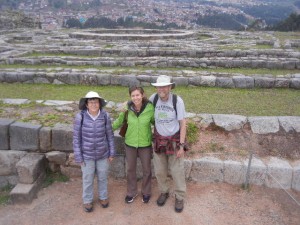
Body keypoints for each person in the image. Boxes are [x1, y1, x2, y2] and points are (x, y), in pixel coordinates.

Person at [149, 75, 187, 213]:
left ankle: (179, 196)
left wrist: (182, 145)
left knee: (177, 171)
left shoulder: (177, 101)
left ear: (170, 87)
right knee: (160, 170)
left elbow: (183, 123)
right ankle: (164, 192)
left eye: (165, 86)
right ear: (156, 88)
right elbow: (142, 109)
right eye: (159, 86)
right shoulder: (153, 99)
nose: (162, 89)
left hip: (174, 141)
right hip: (159, 140)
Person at [73, 91, 115, 213]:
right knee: (87, 178)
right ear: (86, 104)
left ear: (99, 104)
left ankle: (103, 197)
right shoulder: (80, 117)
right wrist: (78, 156)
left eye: (95, 102)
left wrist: (112, 152)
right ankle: (87, 200)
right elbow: (76, 138)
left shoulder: (105, 116)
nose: (93, 104)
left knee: (102, 177)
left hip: (103, 153)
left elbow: (110, 135)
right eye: (90, 102)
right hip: (87, 155)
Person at [113, 86, 154, 204]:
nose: (136, 97)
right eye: (133, 95)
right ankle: (131, 192)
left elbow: (155, 122)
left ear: (142, 95)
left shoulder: (150, 107)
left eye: (138, 95)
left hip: (145, 143)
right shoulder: (127, 108)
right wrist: (107, 129)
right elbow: (119, 121)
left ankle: (146, 192)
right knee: (130, 169)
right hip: (130, 143)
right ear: (130, 97)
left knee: (147, 169)